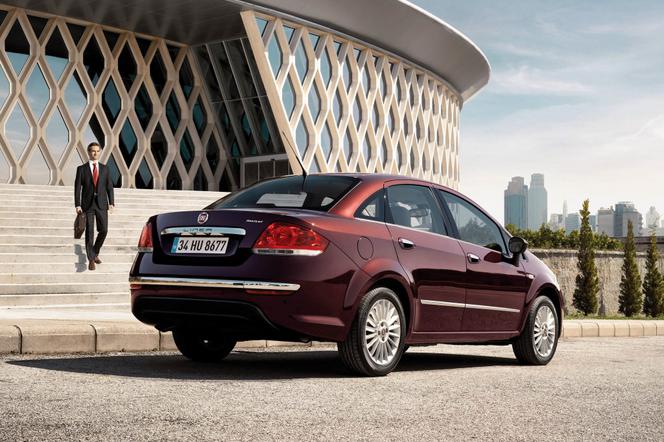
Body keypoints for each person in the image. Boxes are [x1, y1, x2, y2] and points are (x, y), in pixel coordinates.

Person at [74, 142, 115, 271]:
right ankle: (91, 259)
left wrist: (112, 203)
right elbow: (77, 188)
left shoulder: (105, 168)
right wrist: (77, 204)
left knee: (104, 230)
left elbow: (109, 187)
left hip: (102, 204)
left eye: (97, 151)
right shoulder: (81, 169)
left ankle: (95, 251)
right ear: (89, 152)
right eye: (93, 151)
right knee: (90, 233)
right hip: (88, 205)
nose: (95, 153)